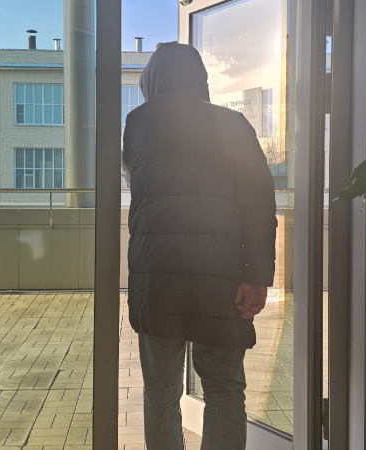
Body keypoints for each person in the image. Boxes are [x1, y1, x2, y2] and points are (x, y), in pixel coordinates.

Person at [122, 43, 277, 450]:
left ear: (152, 81)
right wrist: (257, 276)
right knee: (224, 389)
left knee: (160, 394)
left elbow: (134, 181)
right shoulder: (233, 125)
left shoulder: (138, 123)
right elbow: (259, 205)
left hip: (156, 277)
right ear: (200, 79)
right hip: (221, 276)